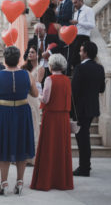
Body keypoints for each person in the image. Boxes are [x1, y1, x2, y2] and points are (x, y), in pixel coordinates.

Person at [0, 46, 38, 196]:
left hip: (3, 112)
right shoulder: (27, 74)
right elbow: (34, 93)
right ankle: (20, 182)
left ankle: (4, 183)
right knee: (21, 145)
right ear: (19, 58)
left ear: (5, 60)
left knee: (4, 146)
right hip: (22, 111)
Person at [31, 54, 74, 191]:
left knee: (49, 147)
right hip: (63, 118)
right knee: (61, 148)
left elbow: (46, 99)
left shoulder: (50, 79)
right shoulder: (67, 80)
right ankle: (61, 180)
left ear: (50, 66)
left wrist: (38, 93)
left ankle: (46, 180)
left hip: (51, 117)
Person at [72, 41, 105, 177]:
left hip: (80, 109)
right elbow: (102, 89)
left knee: (82, 138)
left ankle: (84, 167)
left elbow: (74, 91)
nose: (80, 53)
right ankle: (85, 166)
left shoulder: (80, 68)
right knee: (84, 137)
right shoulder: (100, 68)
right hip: (92, 108)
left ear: (85, 53)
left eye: (81, 51)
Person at [22, 45, 45, 165]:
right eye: (29, 52)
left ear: (38, 55)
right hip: (24, 98)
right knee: (25, 126)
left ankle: (33, 157)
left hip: (33, 97)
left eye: (33, 52)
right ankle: (24, 156)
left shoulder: (40, 68)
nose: (30, 54)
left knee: (34, 125)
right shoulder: (25, 67)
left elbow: (38, 84)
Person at [70, 0, 96, 68]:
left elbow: (92, 25)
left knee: (78, 59)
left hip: (83, 37)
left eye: (75, 3)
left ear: (81, 1)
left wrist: (78, 22)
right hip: (75, 37)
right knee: (73, 59)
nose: (74, 5)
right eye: (73, 3)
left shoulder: (88, 10)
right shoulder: (76, 13)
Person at [11, 0, 28, 66]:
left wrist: (17, 10)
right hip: (14, 19)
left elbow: (25, 10)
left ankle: (21, 57)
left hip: (21, 18)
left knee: (21, 36)